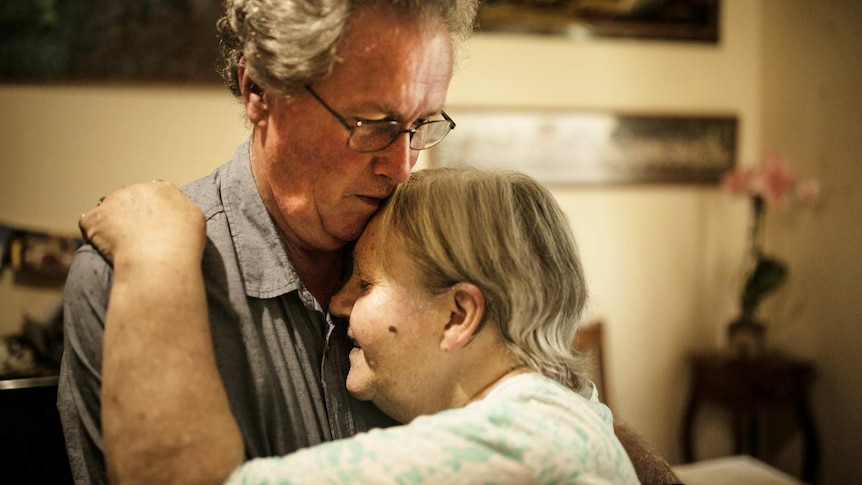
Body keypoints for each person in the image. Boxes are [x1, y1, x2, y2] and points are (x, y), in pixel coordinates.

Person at [59, 0, 678, 483]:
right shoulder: (132, 280)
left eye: (421, 126)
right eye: (375, 126)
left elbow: (553, 410)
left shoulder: (434, 229)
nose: (403, 167)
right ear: (260, 91)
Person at [80, 167, 640, 484]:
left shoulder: (510, 447)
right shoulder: (573, 415)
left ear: (459, 315)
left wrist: (155, 255)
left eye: (366, 284)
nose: (339, 303)